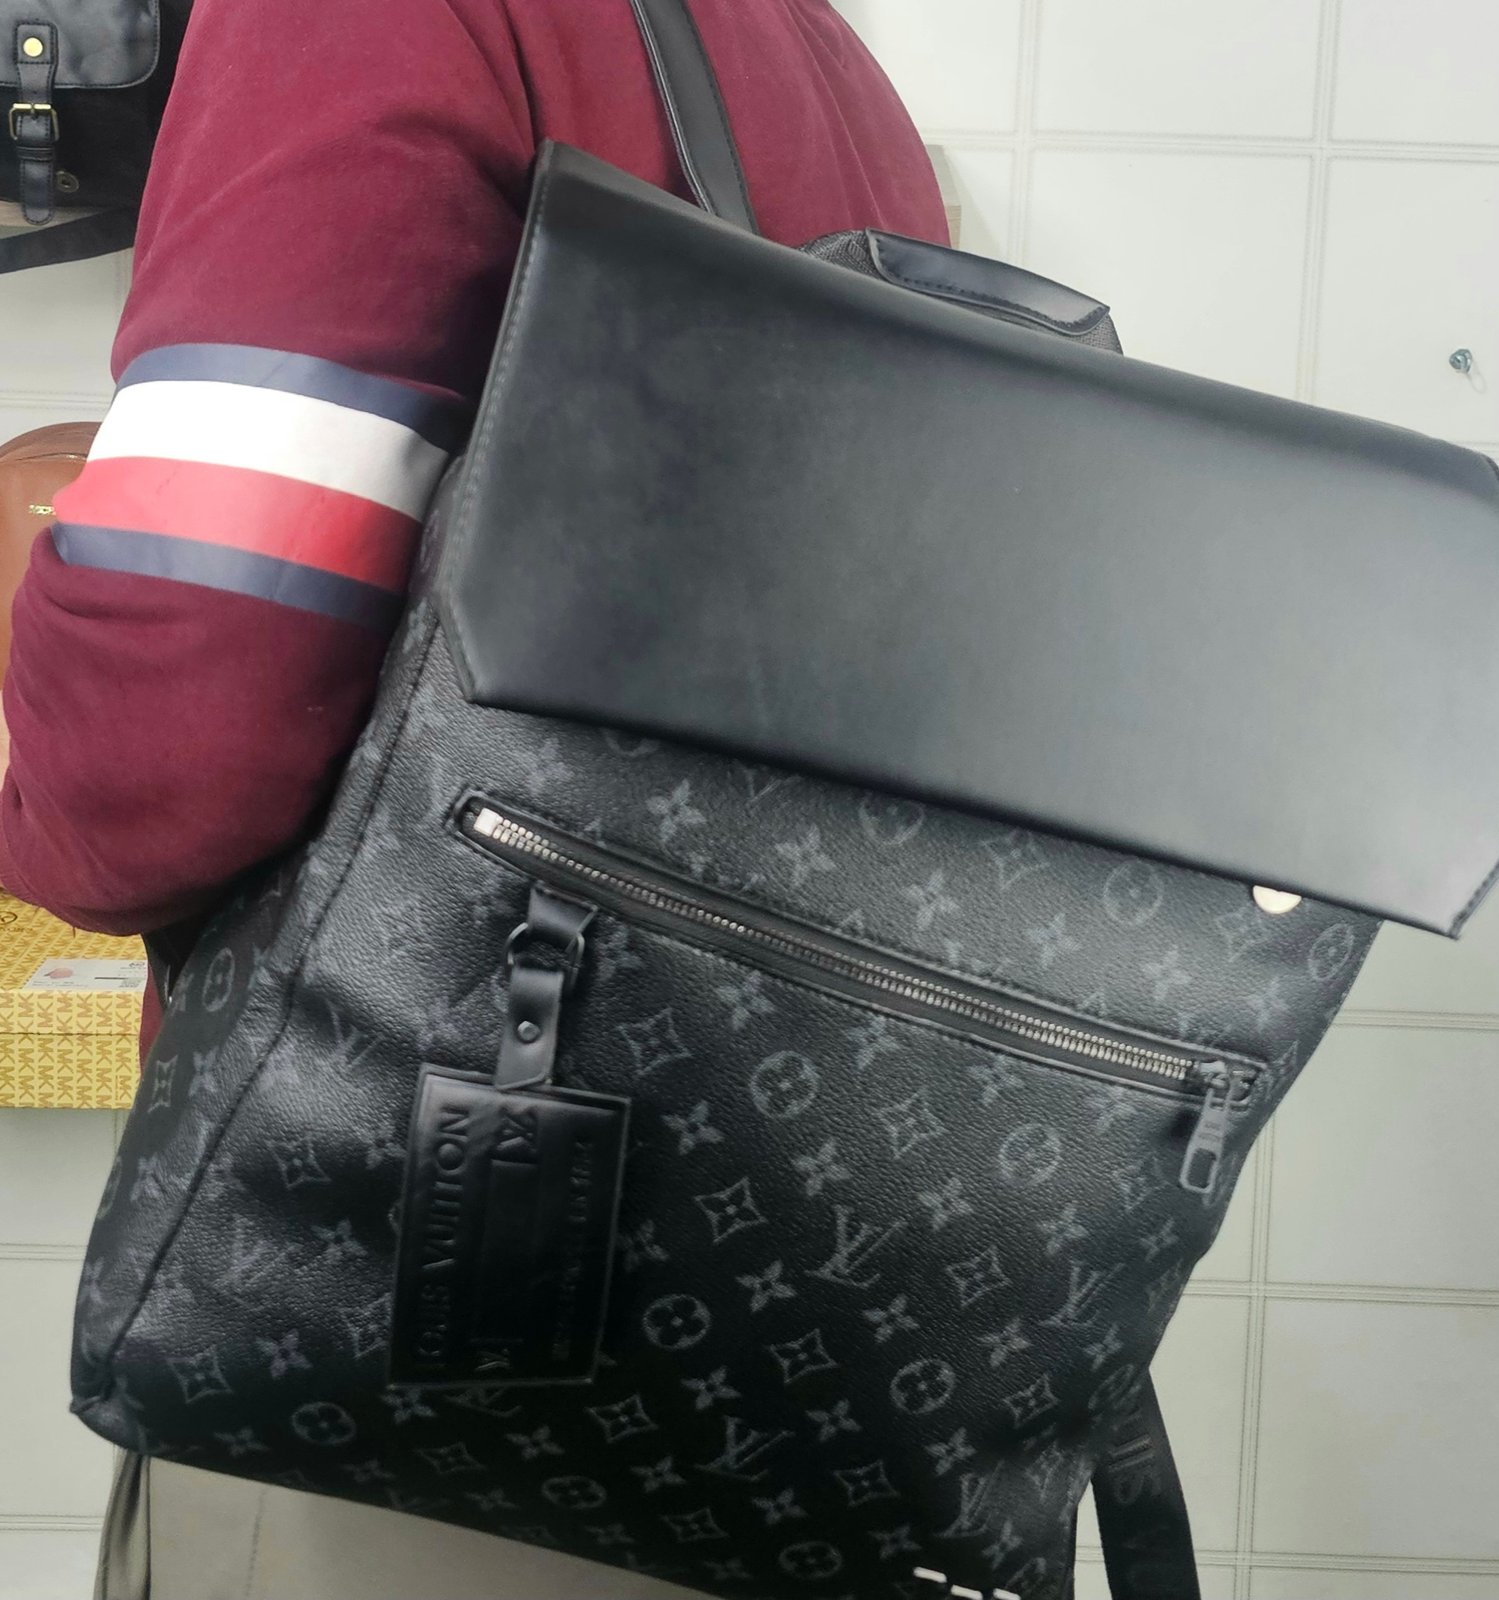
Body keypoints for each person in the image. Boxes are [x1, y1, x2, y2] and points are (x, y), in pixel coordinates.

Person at [0, 0, 947, 1594]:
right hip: (758, 1309)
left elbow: (175, 741)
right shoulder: (809, 52)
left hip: (416, 1302)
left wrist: (40, 797)